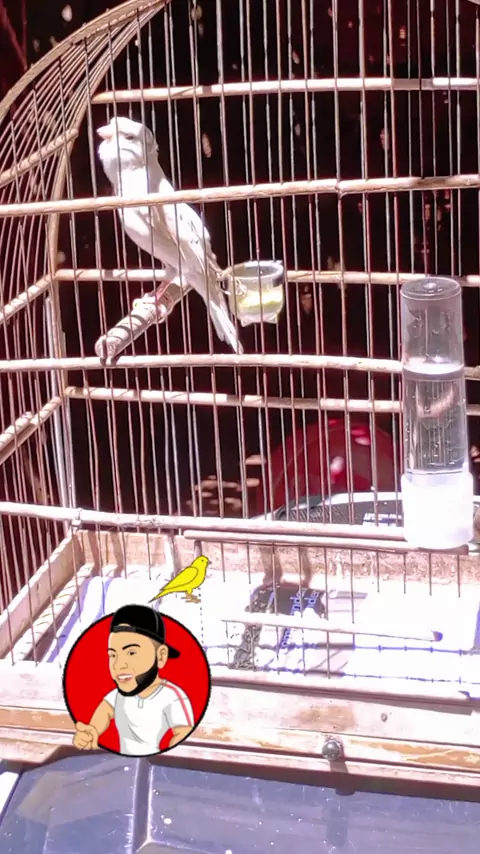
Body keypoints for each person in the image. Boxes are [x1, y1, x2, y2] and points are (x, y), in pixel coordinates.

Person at [72, 604, 194, 756]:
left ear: (161, 656)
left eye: (131, 653)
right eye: (113, 655)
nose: (118, 665)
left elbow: (184, 733)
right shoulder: (119, 695)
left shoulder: (171, 696)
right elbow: (106, 710)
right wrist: (91, 733)